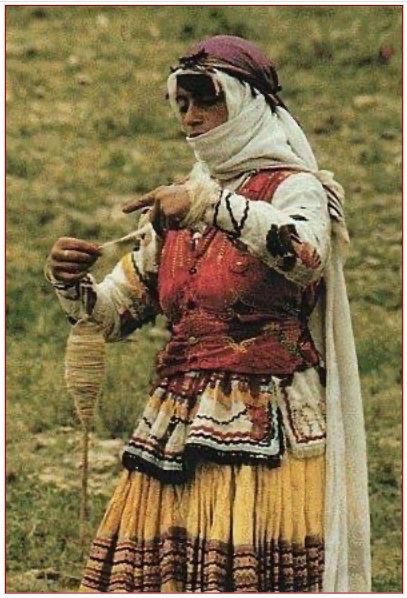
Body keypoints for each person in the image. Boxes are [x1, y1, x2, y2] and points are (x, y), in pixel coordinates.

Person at [46, 35, 371, 592]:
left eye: (205, 100)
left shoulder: (295, 187)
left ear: (247, 103)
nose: (190, 117)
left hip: (269, 418)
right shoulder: (181, 201)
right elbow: (116, 312)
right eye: (181, 104)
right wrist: (70, 282)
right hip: (177, 422)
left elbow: (306, 257)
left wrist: (210, 206)